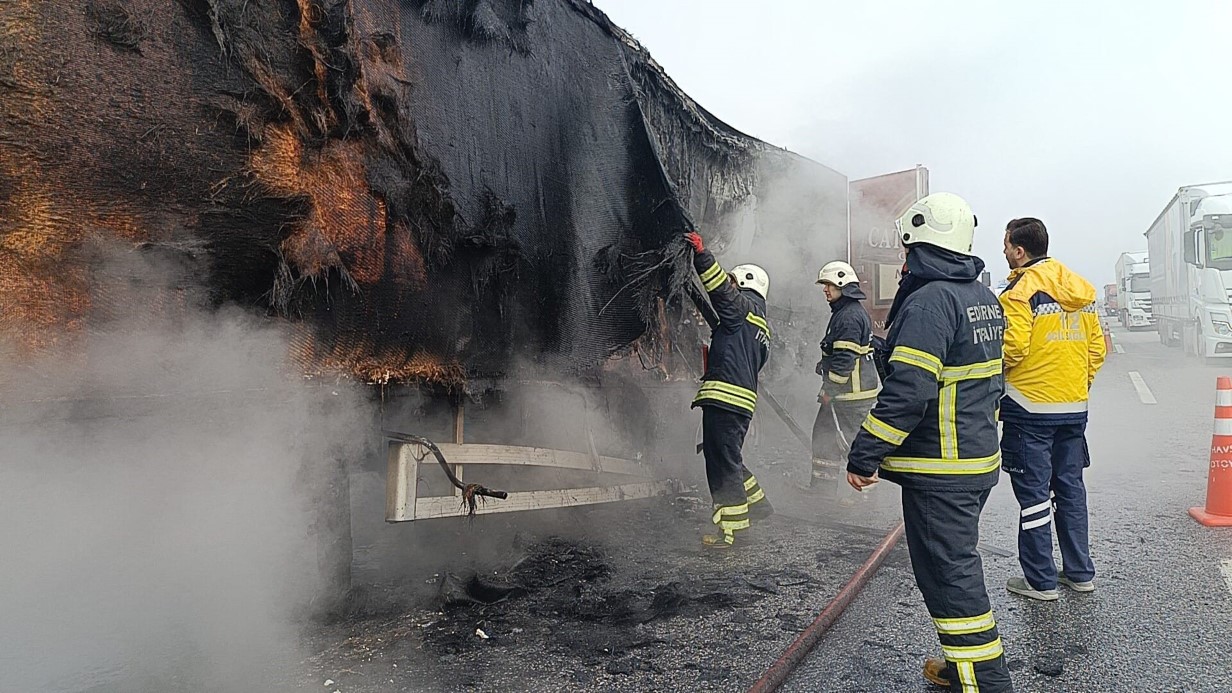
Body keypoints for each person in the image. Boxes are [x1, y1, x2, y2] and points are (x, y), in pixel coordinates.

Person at [845, 193, 1013, 692]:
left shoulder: (930, 300)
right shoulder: (981, 296)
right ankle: (963, 664)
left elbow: (910, 391)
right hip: (973, 459)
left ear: (920, 243)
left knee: (950, 576)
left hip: (943, 468)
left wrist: (865, 453)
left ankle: (985, 678)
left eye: (906, 246)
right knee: (951, 568)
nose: (902, 258)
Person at [998, 218, 1106, 600]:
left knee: (1034, 497)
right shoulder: (1081, 290)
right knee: (1071, 490)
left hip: (1029, 409)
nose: (1005, 252)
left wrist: (997, 383)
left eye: (1007, 245)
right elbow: (1097, 351)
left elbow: (1012, 349)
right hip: (1073, 408)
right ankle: (1079, 573)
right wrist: (1076, 384)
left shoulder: (1018, 292)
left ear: (1020, 251)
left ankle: (1040, 581)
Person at [684, 230, 773, 549]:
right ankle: (758, 503)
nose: (730, 286)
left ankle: (735, 534)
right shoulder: (758, 324)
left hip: (725, 400)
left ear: (747, 286)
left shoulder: (743, 309)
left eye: (736, 282)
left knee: (723, 465)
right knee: (725, 456)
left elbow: (721, 293)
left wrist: (701, 255)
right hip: (737, 402)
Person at [810, 261, 881, 495]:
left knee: (849, 444)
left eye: (829, 285)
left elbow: (844, 362)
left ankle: (862, 495)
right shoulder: (846, 312)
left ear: (843, 285)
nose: (825, 290)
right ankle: (823, 491)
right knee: (825, 439)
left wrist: (829, 390)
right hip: (849, 394)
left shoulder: (848, 317)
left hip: (850, 396)